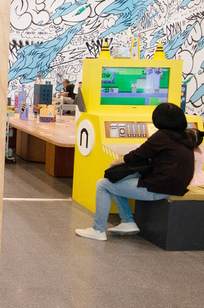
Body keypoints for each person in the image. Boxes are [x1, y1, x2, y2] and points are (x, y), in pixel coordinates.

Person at [76, 102, 196, 241]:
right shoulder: (185, 137)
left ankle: (98, 229)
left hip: (159, 188)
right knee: (114, 180)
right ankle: (127, 222)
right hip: (175, 186)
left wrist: (114, 163)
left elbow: (137, 155)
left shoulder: (163, 136)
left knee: (103, 184)